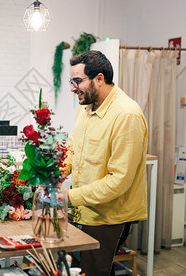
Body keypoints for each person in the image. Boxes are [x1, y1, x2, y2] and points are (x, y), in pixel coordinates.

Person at [62, 50, 148, 276]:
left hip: (108, 217)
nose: (72, 88)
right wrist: (53, 173)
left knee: (93, 272)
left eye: (77, 81)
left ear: (99, 79)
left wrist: (68, 197)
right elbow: (72, 149)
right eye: (71, 81)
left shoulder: (127, 115)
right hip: (82, 209)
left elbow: (119, 181)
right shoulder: (86, 108)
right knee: (74, 269)